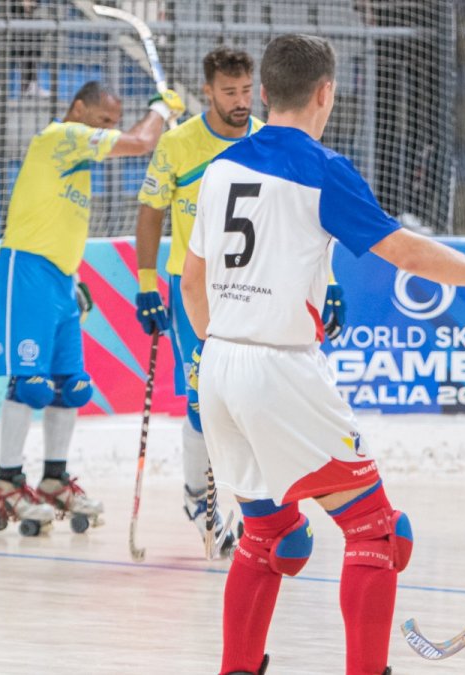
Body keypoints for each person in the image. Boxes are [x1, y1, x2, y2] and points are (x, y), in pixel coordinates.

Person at [179, 34, 465, 675]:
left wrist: (212, 357)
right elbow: (407, 253)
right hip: (278, 369)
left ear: (265, 92)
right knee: (378, 532)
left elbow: (193, 282)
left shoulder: (218, 169)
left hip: (217, 364)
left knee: (268, 537)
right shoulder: (323, 169)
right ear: (326, 93)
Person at [0, 81, 185, 535]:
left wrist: (74, 278)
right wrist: (160, 106)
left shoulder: (78, 159)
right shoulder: (60, 137)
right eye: (103, 122)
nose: (108, 132)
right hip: (27, 271)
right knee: (31, 383)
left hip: (59, 278)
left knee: (71, 386)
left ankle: (54, 479)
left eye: (111, 125)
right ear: (79, 109)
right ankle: (6, 481)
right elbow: (141, 142)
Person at [133, 46, 265, 557]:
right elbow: (150, 211)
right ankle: (197, 497)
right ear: (207, 91)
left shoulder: (266, 139)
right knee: (199, 401)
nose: (240, 101)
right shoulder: (178, 143)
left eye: (247, 90)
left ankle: (258, 505)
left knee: (252, 399)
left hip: (254, 289)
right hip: (193, 290)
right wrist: (146, 282)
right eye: (229, 92)